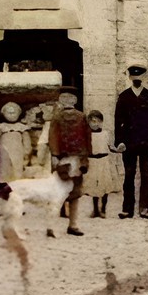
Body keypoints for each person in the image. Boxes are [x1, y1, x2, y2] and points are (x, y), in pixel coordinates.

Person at [35, 86, 95, 235]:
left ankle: (73, 225)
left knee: (75, 192)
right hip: (62, 158)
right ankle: (51, 225)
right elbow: (53, 137)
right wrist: (55, 155)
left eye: (70, 98)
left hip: (76, 158)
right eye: (64, 98)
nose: (67, 101)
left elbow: (87, 139)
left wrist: (85, 158)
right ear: (60, 100)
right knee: (57, 191)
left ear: (75, 100)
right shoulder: (56, 118)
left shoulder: (82, 117)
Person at [114, 63, 148, 219]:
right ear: (129, 77)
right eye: (133, 76)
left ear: (144, 78)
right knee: (129, 175)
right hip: (128, 142)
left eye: (139, 76)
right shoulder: (123, 97)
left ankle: (146, 208)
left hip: (146, 141)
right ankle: (127, 208)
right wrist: (119, 141)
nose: (136, 78)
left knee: (146, 174)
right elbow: (118, 120)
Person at [84, 109, 119, 218]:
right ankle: (95, 210)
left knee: (104, 185)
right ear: (89, 122)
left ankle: (103, 208)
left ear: (101, 122)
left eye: (98, 121)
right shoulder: (87, 134)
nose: (95, 123)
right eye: (93, 121)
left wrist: (118, 149)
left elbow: (111, 147)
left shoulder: (105, 134)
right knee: (94, 186)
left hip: (104, 161)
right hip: (92, 162)